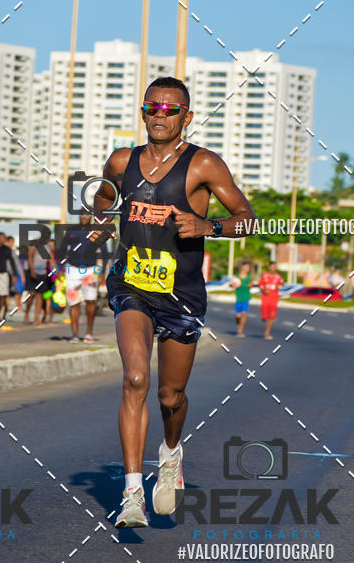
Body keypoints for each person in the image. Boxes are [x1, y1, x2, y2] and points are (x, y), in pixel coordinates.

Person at [94, 77, 256, 528]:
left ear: (186, 116)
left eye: (171, 109)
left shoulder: (204, 164)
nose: (160, 115)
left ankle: (170, 454)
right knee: (136, 377)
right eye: (153, 107)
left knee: (171, 395)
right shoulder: (121, 161)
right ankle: (131, 495)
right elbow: (104, 200)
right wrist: (102, 224)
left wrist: (210, 227)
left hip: (182, 296)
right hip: (132, 286)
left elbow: (248, 220)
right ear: (142, 111)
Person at [58, 213, 110, 344]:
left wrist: (102, 271)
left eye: (86, 215)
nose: (83, 217)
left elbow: (104, 253)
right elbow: (61, 250)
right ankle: (75, 335)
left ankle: (89, 333)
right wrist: (59, 268)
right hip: (72, 269)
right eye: (81, 214)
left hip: (90, 270)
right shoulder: (71, 231)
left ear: (90, 217)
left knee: (90, 301)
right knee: (73, 302)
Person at [258, 260, 284, 340]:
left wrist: (278, 286)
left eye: (275, 267)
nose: (273, 268)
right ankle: (264, 317)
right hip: (265, 298)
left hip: (274, 299)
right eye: (272, 266)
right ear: (269, 267)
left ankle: (267, 332)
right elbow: (260, 285)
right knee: (265, 317)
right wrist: (263, 290)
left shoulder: (278, 276)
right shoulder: (264, 275)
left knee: (272, 317)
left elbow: (281, 285)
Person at [231, 261, 252, 337]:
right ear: (243, 267)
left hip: (246, 298)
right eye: (246, 267)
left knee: (244, 314)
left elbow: (251, 284)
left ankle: (240, 331)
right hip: (238, 298)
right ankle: (238, 323)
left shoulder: (249, 277)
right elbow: (231, 284)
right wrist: (233, 284)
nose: (248, 268)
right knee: (238, 315)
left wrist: (250, 285)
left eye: (249, 267)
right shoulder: (236, 276)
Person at [6, 236, 25, 313]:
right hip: (5, 274)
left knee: (16, 291)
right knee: (6, 292)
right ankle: (6, 307)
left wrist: (21, 275)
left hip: (13, 275)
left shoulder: (12, 252)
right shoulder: (4, 251)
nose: (12, 244)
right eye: (11, 242)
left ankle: (18, 307)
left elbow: (17, 265)